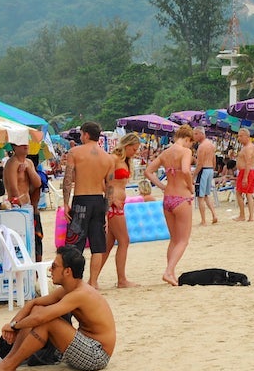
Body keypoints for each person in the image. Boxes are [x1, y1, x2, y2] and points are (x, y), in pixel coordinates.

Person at [0, 246, 117, 371]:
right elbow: (34, 304)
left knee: (47, 321)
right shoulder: (68, 289)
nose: (50, 270)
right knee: (38, 308)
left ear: (67, 271)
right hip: (83, 347)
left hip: (97, 355)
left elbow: (41, 318)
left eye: (55, 266)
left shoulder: (80, 294)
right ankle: (7, 363)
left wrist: (14, 326)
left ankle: (8, 367)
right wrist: (13, 324)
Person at [143, 123, 195, 286]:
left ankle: (170, 271)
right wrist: (191, 185)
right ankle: (168, 271)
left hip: (168, 198)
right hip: (181, 197)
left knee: (174, 239)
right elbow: (186, 170)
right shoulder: (185, 151)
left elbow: (148, 171)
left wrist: (161, 186)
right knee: (183, 240)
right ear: (187, 139)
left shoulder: (165, 153)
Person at [93, 131, 141, 289]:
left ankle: (93, 280)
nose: (135, 152)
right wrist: (112, 198)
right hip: (114, 205)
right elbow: (100, 178)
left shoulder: (125, 161)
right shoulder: (113, 159)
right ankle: (121, 280)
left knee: (108, 244)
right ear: (126, 146)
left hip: (118, 204)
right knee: (124, 240)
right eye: (134, 149)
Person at [61, 121, 113, 259]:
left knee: (74, 244)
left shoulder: (74, 152)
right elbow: (110, 188)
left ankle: (76, 278)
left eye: (81, 134)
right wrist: (106, 211)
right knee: (98, 247)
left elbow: (67, 179)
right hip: (98, 201)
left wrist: (66, 204)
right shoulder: (108, 158)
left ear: (86, 135)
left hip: (81, 200)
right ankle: (94, 281)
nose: (80, 137)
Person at [4, 142, 44, 259]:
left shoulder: (29, 162)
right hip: (19, 208)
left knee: (37, 241)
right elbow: (13, 188)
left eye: (26, 143)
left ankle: (36, 272)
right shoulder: (12, 163)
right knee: (23, 244)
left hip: (29, 207)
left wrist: (28, 169)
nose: (25, 146)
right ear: (14, 147)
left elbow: (38, 183)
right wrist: (20, 207)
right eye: (21, 144)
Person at [190, 127, 220, 225]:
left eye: (195, 134)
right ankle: (214, 214)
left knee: (200, 196)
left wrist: (193, 176)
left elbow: (200, 164)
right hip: (210, 169)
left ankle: (203, 220)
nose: (194, 136)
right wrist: (212, 169)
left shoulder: (201, 147)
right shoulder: (211, 145)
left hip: (203, 170)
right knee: (207, 195)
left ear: (201, 134)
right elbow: (214, 160)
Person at [234, 129, 254, 221]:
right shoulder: (249, 146)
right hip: (248, 171)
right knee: (248, 193)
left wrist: (245, 177)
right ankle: (249, 216)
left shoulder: (248, 147)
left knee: (240, 193)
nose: (239, 138)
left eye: (241, 136)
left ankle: (243, 215)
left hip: (246, 172)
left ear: (247, 137)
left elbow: (248, 162)